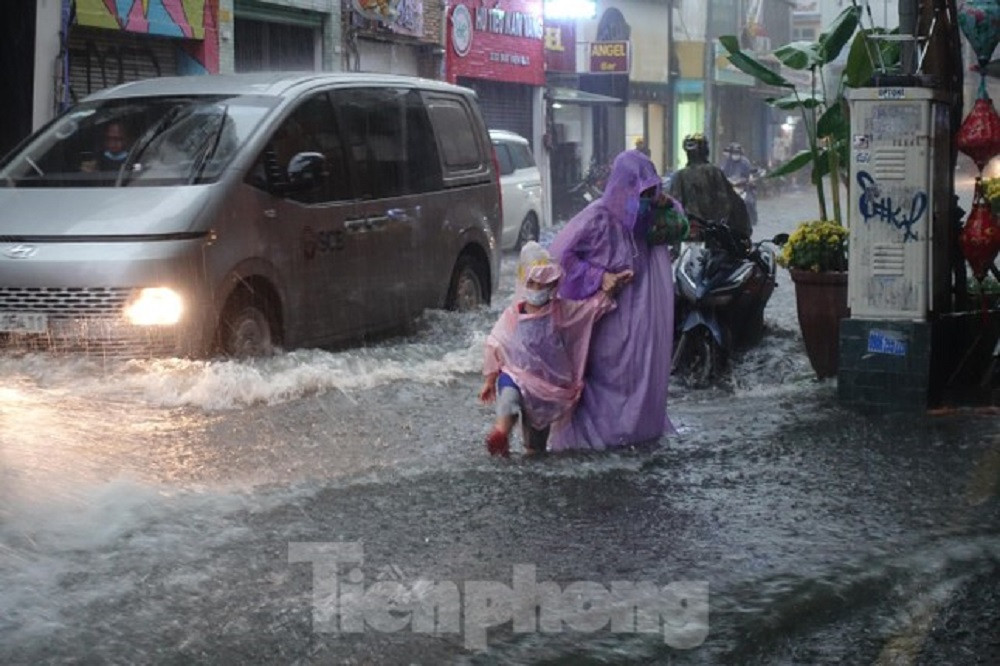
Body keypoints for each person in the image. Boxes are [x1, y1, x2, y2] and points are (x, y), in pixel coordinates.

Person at [545, 149, 677, 451]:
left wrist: (665, 204)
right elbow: (558, 259)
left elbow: (681, 223)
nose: (641, 199)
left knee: (641, 373)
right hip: (607, 320)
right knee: (606, 376)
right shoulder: (595, 219)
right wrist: (599, 277)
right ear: (620, 186)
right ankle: (600, 437)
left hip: (644, 320)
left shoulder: (652, 222)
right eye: (636, 190)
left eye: (648, 191)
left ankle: (637, 432)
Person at [479, 242, 633, 457]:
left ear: (553, 286)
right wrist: (490, 379)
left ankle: (530, 462)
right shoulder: (512, 315)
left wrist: (611, 290)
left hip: (546, 386)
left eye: (544, 285)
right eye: (533, 283)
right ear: (524, 283)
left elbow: (588, 311)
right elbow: (495, 342)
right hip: (515, 372)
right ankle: (500, 433)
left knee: (536, 446)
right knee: (508, 402)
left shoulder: (560, 312)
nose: (538, 290)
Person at [668, 133, 752, 242]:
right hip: (714, 235)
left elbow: (674, 207)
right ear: (706, 151)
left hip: (689, 235)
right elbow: (730, 203)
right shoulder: (714, 172)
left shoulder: (679, 176)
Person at [720, 141, 759, 226]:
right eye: (734, 153)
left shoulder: (745, 162)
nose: (735, 155)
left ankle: (752, 220)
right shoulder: (727, 162)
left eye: (737, 153)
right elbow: (723, 172)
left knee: (749, 202)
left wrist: (747, 180)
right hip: (730, 186)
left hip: (744, 187)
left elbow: (749, 175)